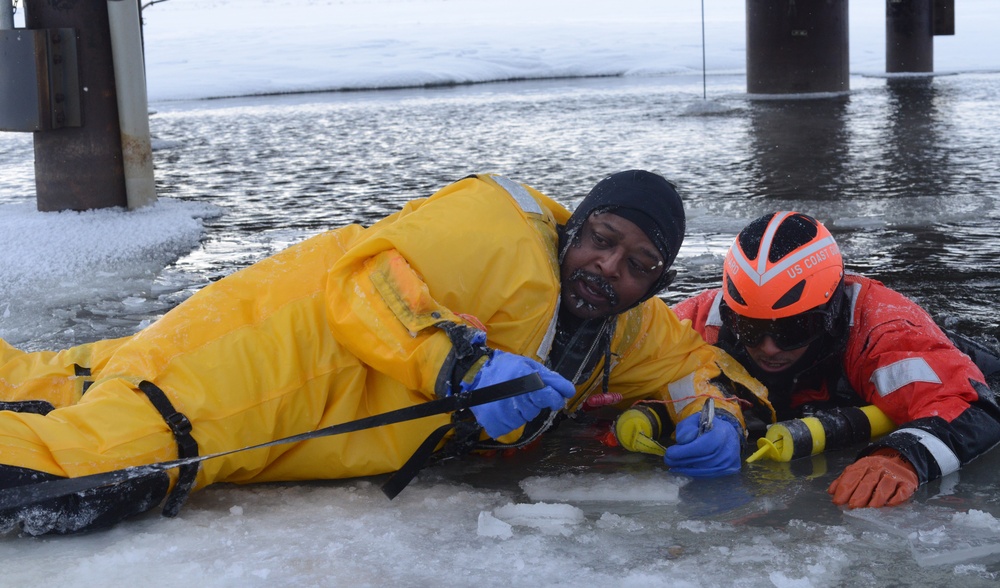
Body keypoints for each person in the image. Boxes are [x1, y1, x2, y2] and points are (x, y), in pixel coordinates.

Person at [0, 170, 769, 535]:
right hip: (277, 362)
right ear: (578, 227)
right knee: (91, 469)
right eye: (603, 242)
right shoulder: (501, 231)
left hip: (302, 390)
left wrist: (716, 415)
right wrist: (463, 365)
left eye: (638, 264)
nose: (610, 268)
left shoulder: (623, 325)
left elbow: (695, 368)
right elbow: (368, 286)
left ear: (657, 279)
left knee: (63, 379)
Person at [614, 211, 1000, 508]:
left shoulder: (884, 327)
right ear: (730, 312)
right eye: (749, 329)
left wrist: (902, 457)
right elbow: (612, 380)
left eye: (794, 329)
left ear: (831, 312)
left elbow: (974, 407)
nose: (769, 348)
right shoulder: (696, 321)